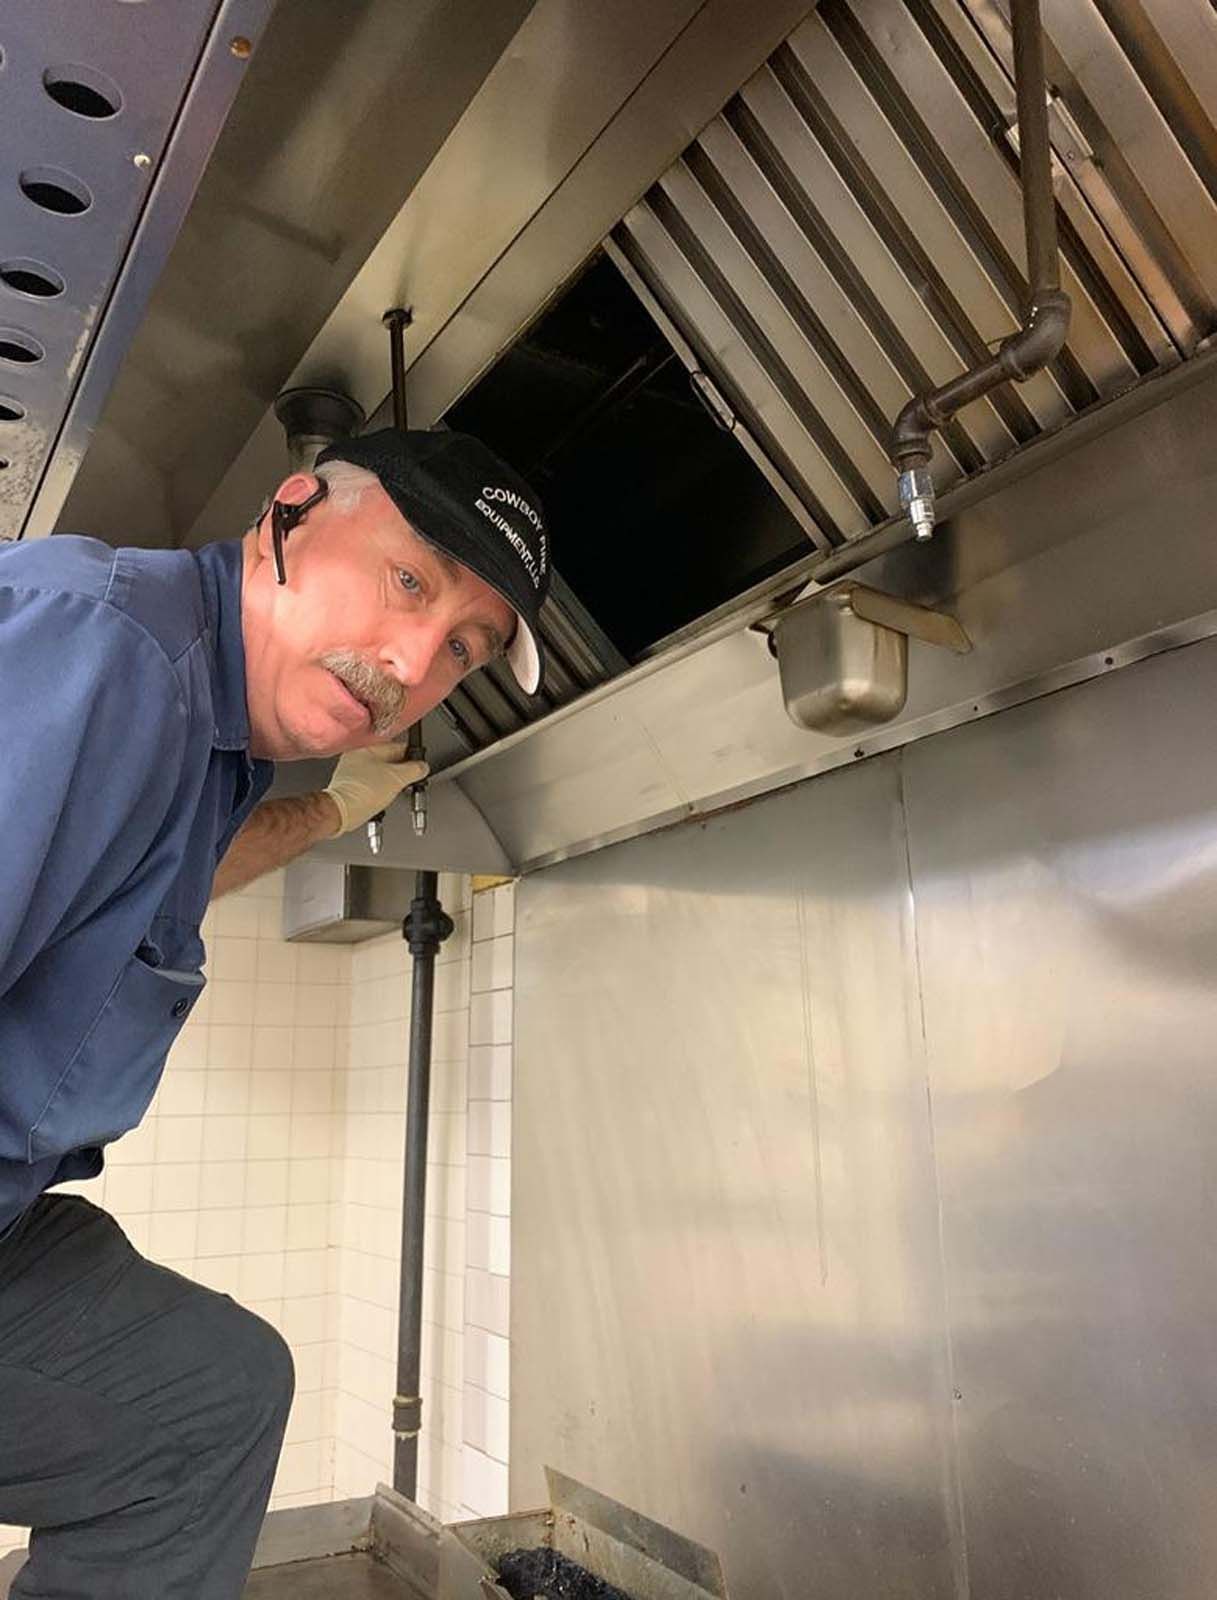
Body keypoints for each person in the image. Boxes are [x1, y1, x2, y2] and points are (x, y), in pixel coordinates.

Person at [0, 428, 549, 1599]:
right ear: (289, 508)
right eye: (409, 580)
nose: (412, 660)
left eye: (463, 645)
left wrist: (334, 810)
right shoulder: (109, 658)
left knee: (206, 1393)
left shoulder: (203, 737)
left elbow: (168, 877)